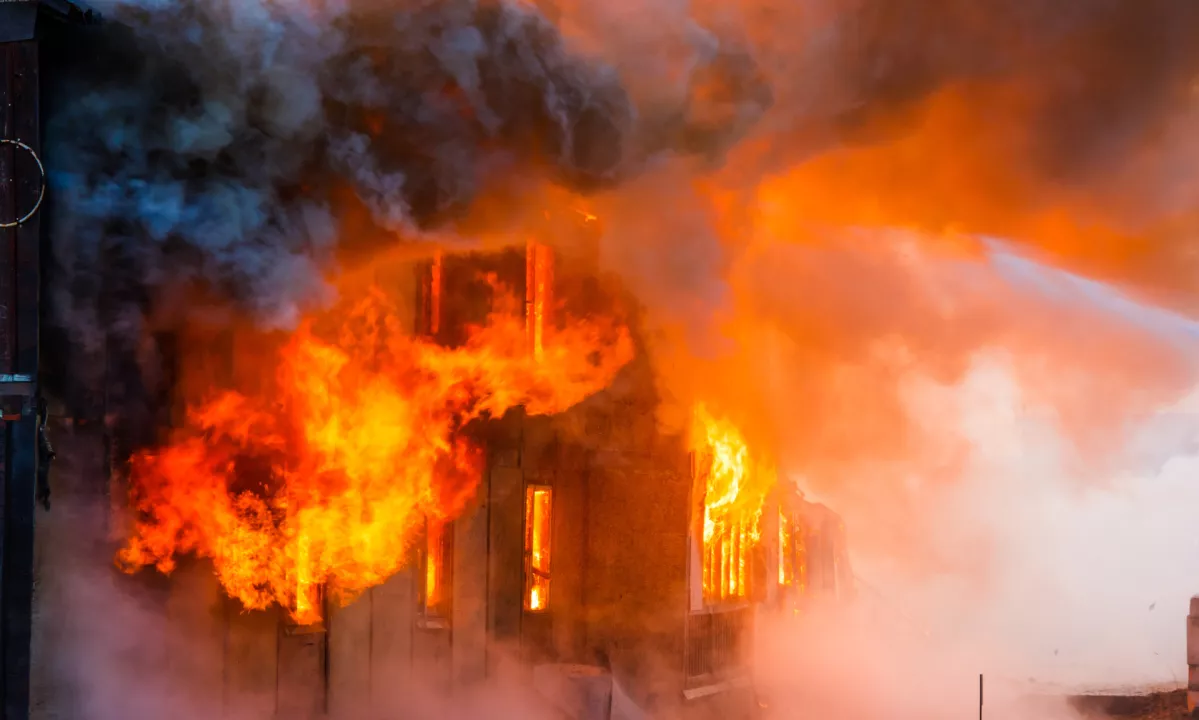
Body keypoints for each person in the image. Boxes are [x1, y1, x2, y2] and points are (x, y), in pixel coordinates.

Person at [36, 396, 54, 511]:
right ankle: (44, 407)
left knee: (41, 430)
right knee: (41, 431)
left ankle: (44, 407)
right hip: (44, 459)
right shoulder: (45, 489)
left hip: (44, 461)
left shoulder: (44, 489)